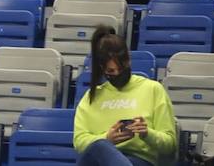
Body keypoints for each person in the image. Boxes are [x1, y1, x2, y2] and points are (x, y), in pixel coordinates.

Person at [72, 26, 176, 166]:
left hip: (139, 161)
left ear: (129, 61)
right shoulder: (92, 96)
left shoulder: (153, 89)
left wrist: (147, 134)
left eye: (122, 67)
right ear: (103, 69)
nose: (118, 73)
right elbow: (79, 142)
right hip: (97, 161)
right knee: (100, 147)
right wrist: (108, 138)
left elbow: (170, 145)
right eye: (112, 70)